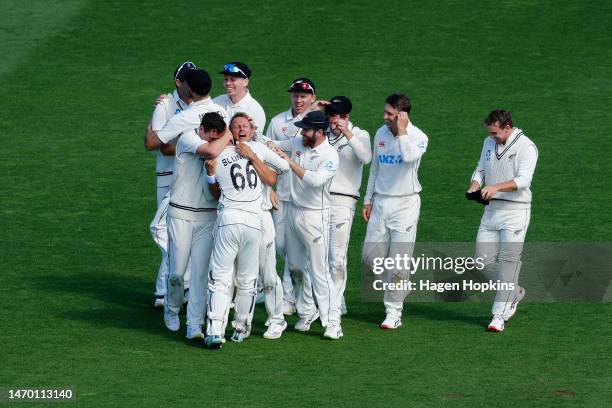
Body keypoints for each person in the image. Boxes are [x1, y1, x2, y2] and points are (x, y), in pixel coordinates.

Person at [204, 113, 289, 349]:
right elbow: (275, 176)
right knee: (247, 280)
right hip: (254, 221)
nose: (241, 129)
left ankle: (215, 330)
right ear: (230, 130)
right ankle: (241, 328)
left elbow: (215, 195)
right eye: (236, 126)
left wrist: (210, 176)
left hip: (230, 218)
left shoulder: (216, 154)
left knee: (221, 278)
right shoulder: (258, 150)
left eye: (245, 125)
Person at [269, 110, 343, 340]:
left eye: (306, 129)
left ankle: (333, 322)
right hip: (292, 211)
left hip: (315, 216)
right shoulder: (299, 141)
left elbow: (314, 180)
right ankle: (306, 312)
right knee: (296, 267)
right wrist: (255, 134)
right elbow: (273, 143)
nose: (301, 132)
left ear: (320, 132)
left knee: (320, 271)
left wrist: (289, 161)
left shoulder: (330, 155)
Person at [160, 112, 231, 340]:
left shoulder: (218, 143)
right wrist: (229, 134)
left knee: (201, 275)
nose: (214, 144)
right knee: (176, 274)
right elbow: (210, 151)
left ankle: (194, 325)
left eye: (216, 138)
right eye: (210, 137)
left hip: (207, 216)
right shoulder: (188, 138)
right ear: (201, 130)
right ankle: (171, 310)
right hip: (180, 213)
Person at [467, 109, 538, 332]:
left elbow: (524, 180)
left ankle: (498, 316)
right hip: (491, 211)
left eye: (496, 133)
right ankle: (514, 291)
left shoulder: (526, 146)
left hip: (516, 212)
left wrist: (495, 187)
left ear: (507, 127)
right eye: (490, 133)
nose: (492, 137)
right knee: (481, 261)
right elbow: (480, 167)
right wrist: (475, 184)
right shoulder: (488, 142)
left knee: (509, 262)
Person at [362, 92, 428, 330]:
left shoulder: (419, 137)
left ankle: (393, 312)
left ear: (402, 114)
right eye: (385, 112)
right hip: (381, 203)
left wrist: (401, 131)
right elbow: (376, 169)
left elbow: (409, 156)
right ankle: (402, 285)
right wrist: (368, 199)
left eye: (390, 114)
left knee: (399, 262)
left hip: (405, 204)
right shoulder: (380, 132)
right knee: (370, 259)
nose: (384, 117)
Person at [265, 78, 317, 315]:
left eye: (304, 96)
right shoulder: (278, 121)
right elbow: (266, 151)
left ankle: (291, 298)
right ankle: (301, 294)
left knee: (299, 251)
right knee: (281, 246)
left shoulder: (319, 122)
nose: (298, 99)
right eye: (295, 95)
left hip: (306, 198)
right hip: (283, 194)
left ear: (312, 98)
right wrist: (269, 188)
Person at [148, 61, 195, 308]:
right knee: (169, 232)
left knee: (182, 233)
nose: (192, 83)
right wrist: (193, 150)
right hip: (168, 177)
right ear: (179, 82)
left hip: (190, 178)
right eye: (188, 79)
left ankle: (163, 291)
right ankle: (174, 287)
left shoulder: (198, 104)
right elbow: (156, 143)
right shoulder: (165, 105)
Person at [323, 96, 372, 315]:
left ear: (346, 117)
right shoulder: (321, 133)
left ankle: (337, 302)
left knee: (336, 257)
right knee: (318, 256)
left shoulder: (360, 135)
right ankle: (322, 301)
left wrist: (348, 134)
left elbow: (366, 157)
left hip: (343, 202)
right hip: (317, 201)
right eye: (330, 114)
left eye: (337, 116)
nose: (332, 120)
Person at [213, 62, 266, 132]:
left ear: (245, 82)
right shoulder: (216, 102)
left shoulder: (255, 110)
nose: (228, 83)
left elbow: (254, 140)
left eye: (233, 80)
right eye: (226, 79)